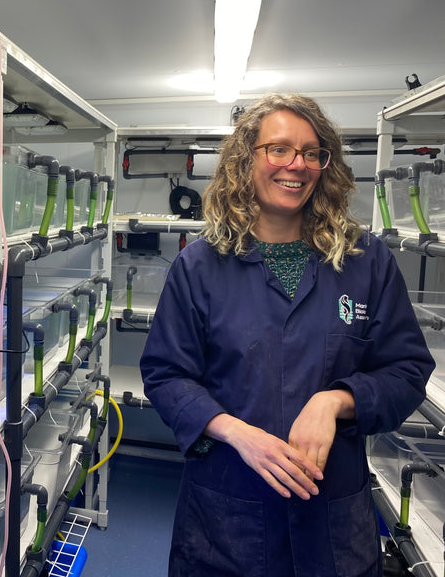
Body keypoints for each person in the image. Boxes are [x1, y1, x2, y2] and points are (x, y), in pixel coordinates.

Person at [140, 93, 435, 577]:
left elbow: (407, 370)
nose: (296, 165)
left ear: (325, 165)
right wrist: (235, 432)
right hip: (228, 513)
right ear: (245, 160)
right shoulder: (199, 264)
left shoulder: (367, 261)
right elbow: (167, 374)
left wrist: (336, 401)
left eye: (311, 152)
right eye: (278, 149)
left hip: (332, 517)